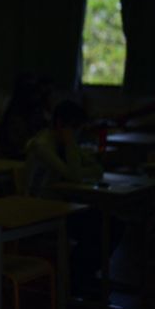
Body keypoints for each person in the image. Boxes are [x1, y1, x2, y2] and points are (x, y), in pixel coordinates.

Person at [26, 101, 121, 297]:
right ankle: (76, 279)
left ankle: (82, 276)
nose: (76, 134)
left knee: (114, 224)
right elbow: (75, 175)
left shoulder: (64, 142)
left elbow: (96, 169)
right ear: (61, 124)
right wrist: (70, 144)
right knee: (99, 227)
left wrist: (72, 149)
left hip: (62, 206)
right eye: (74, 128)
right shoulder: (43, 145)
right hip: (41, 211)